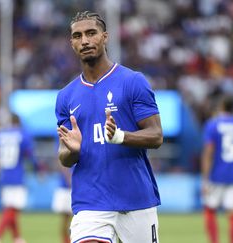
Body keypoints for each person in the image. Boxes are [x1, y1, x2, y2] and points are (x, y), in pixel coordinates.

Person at [55, 11, 163, 243]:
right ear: (72, 43)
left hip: (136, 199)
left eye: (91, 33)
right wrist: (71, 151)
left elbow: (156, 135)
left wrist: (121, 136)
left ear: (105, 37)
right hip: (90, 203)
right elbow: (63, 157)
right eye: (78, 36)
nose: (85, 40)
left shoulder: (132, 81)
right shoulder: (66, 96)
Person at [201, 95, 233, 243]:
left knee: (210, 210)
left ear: (222, 106)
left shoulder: (212, 125)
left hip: (215, 175)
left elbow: (208, 154)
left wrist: (205, 179)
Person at [0, 114, 35, 243]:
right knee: (13, 209)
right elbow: (30, 154)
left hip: (4, 175)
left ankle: (17, 238)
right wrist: (39, 168)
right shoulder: (23, 134)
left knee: (10, 207)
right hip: (16, 175)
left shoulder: (0, 134)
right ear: (19, 122)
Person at [51, 166, 72, 243]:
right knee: (66, 219)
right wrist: (69, 178)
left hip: (74, 188)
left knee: (72, 219)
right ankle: (65, 240)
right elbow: (61, 163)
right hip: (66, 189)